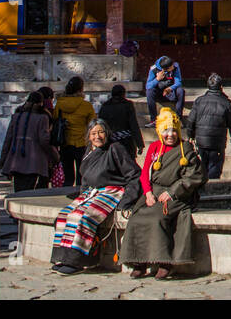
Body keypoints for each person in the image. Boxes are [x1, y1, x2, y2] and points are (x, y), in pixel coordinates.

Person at [120, 108, 207, 280]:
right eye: (166, 131)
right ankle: (139, 262)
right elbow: (145, 174)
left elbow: (196, 175)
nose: (170, 135)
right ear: (160, 131)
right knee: (136, 218)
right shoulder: (154, 147)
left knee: (158, 218)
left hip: (178, 194)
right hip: (154, 193)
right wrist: (148, 193)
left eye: (174, 130)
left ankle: (164, 262)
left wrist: (173, 192)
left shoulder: (186, 149)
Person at [50, 120, 141, 275]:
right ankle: (64, 258)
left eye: (101, 132)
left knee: (82, 217)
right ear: (89, 136)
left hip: (111, 192)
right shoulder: (89, 151)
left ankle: (77, 262)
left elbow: (134, 174)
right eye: (93, 133)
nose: (97, 136)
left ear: (107, 134)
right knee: (64, 215)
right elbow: (85, 176)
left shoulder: (115, 148)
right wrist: (81, 197)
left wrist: (128, 199)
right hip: (91, 193)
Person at [0, 90, 58, 192]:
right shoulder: (42, 118)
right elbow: (44, 140)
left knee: (18, 191)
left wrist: (3, 159)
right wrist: (55, 155)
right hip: (34, 162)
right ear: (41, 103)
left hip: (16, 160)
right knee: (30, 192)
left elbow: (8, 139)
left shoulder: (17, 116)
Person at [189, 74, 231, 180]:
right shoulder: (226, 102)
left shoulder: (199, 101)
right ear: (221, 87)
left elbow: (191, 120)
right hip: (217, 142)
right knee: (214, 168)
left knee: (202, 166)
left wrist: (190, 135)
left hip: (201, 141)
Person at [53, 76, 97, 186]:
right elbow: (93, 124)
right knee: (81, 175)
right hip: (81, 142)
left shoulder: (60, 103)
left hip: (65, 142)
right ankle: (79, 196)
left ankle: (65, 195)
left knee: (68, 176)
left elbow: (55, 119)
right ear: (81, 89)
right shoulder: (86, 105)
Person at [97, 84, 144, 155]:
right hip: (126, 143)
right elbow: (134, 125)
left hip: (110, 143)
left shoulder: (105, 106)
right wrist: (140, 144)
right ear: (123, 94)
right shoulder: (128, 105)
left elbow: (100, 125)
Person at [145, 56, 185, 123]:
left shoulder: (175, 66)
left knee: (181, 91)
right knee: (149, 92)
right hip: (159, 93)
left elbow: (179, 82)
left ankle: (179, 118)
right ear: (166, 69)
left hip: (170, 93)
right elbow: (148, 86)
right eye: (171, 67)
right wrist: (157, 79)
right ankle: (153, 120)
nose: (173, 67)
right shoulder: (153, 69)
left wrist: (170, 88)